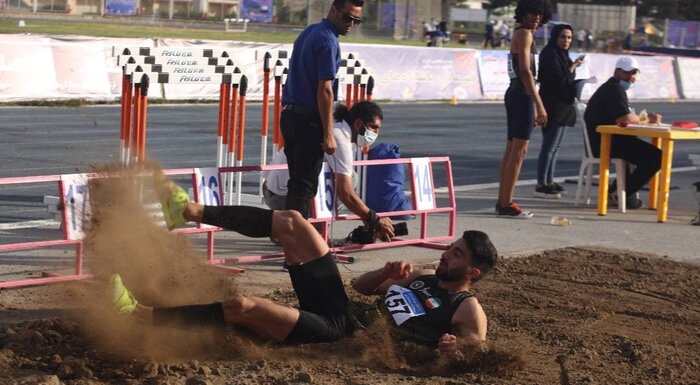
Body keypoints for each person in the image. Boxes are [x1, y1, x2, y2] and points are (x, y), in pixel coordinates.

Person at [117, 178, 498, 356]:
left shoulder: (467, 307)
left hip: (343, 336)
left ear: (473, 273)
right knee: (294, 223)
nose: (447, 254)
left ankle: (141, 316)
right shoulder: (425, 277)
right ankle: (189, 211)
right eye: (451, 247)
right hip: (344, 309)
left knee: (245, 307)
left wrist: (456, 349)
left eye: (457, 254)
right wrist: (384, 274)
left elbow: (477, 352)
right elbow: (362, 289)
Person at [263, 101, 395, 240]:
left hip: (273, 189)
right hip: (282, 197)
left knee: (345, 176)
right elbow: (346, 193)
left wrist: (366, 217)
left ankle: (293, 227)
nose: (375, 134)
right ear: (358, 124)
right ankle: (302, 231)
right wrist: (374, 219)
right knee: (350, 179)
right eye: (373, 127)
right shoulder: (339, 138)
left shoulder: (335, 126)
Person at [281, 0, 364, 219]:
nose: (351, 24)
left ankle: (289, 235)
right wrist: (328, 134)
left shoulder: (311, 31)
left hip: (290, 115)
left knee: (298, 183)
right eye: (347, 17)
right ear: (334, 10)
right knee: (304, 186)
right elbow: (325, 90)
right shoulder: (328, 42)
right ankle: (297, 242)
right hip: (307, 121)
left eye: (356, 20)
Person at [495, 0, 551, 218]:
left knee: (512, 150)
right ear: (523, 14)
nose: (535, 19)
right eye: (532, 15)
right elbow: (526, 71)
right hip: (523, 94)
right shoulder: (525, 35)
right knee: (519, 151)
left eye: (539, 15)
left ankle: (503, 201)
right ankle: (506, 203)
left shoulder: (521, 34)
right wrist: (539, 104)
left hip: (516, 92)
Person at [584, 56, 662, 209]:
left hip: (610, 140)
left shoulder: (613, 87)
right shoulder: (614, 89)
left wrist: (639, 118)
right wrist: (643, 118)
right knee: (657, 157)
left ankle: (617, 192)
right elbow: (624, 117)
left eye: (634, 73)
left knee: (640, 152)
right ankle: (621, 193)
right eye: (628, 73)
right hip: (605, 143)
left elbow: (626, 117)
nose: (632, 77)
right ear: (618, 72)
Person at [534, 24, 585, 199]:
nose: (566, 41)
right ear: (555, 37)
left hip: (563, 105)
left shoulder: (563, 55)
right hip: (552, 105)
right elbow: (558, 79)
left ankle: (549, 180)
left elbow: (566, 79)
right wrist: (573, 67)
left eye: (569, 37)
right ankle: (542, 183)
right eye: (563, 37)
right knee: (549, 146)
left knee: (556, 147)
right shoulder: (549, 54)